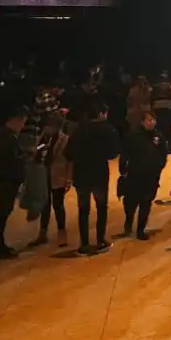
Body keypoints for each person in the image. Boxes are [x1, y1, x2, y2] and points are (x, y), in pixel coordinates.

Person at [66, 103, 119, 254]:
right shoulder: (108, 130)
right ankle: (100, 240)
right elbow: (113, 154)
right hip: (99, 172)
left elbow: (69, 153)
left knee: (83, 209)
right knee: (101, 207)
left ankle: (84, 244)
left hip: (81, 173)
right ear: (101, 114)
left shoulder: (78, 131)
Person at [118, 111, 167, 240]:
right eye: (149, 120)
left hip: (151, 176)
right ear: (142, 122)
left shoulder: (159, 136)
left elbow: (163, 154)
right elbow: (124, 153)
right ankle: (128, 224)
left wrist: (159, 168)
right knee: (130, 203)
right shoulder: (133, 136)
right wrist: (123, 170)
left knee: (146, 203)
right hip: (134, 175)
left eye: (153, 120)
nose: (151, 122)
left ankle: (140, 229)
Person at [0, 107, 29, 260]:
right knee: (3, 213)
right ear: (14, 120)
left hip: (4, 179)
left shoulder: (6, 137)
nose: (22, 126)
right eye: (22, 122)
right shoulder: (6, 139)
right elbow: (9, 161)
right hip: (6, 180)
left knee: (4, 212)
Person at [32, 113, 72, 248]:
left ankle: (62, 234)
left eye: (49, 126)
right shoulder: (42, 138)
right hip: (43, 174)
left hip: (58, 176)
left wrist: (68, 178)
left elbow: (70, 161)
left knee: (58, 205)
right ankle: (42, 233)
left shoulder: (64, 140)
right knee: (44, 204)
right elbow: (36, 153)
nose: (46, 128)